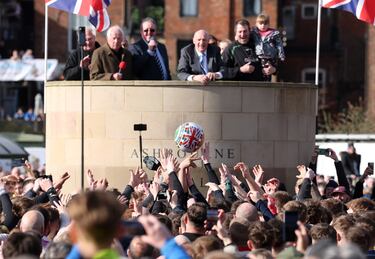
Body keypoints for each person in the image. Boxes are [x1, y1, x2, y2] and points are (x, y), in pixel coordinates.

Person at [251, 13, 285, 81]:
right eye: (261, 24)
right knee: (258, 72)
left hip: (270, 56)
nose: (263, 26)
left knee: (267, 72)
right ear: (257, 24)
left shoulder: (273, 33)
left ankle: (267, 83)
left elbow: (279, 44)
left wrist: (281, 55)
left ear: (268, 24)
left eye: (265, 24)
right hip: (259, 56)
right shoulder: (254, 33)